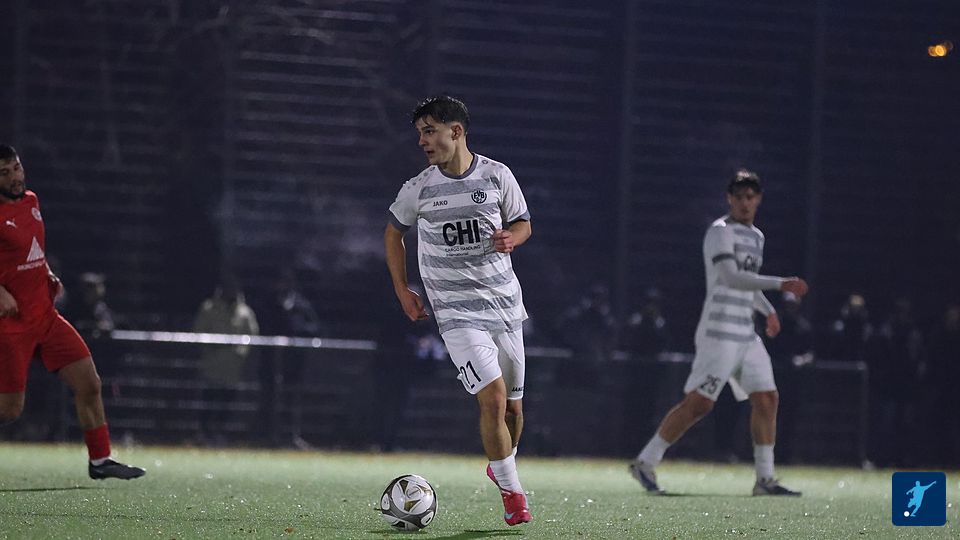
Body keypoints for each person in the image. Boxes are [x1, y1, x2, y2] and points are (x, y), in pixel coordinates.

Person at [384, 96, 533, 526]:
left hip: (505, 307)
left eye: (430, 131)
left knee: (513, 411)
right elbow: (393, 234)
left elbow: (523, 222)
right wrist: (402, 289)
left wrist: (512, 238)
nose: (423, 141)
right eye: (420, 133)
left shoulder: (497, 175)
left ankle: (500, 464)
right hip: (456, 314)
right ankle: (514, 496)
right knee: (493, 398)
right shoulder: (418, 188)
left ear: (457, 131)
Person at [629, 168, 808, 496]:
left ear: (759, 199)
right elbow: (730, 277)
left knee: (767, 398)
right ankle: (645, 462)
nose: (745, 202)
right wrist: (781, 284)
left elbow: (747, 284)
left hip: (746, 334)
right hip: (718, 332)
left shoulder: (757, 237)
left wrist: (768, 310)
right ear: (729, 199)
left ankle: (765, 479)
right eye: (739, 197)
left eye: (750, 197)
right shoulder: (719, 232)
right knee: (699, 404)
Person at [0, 144, 145, 480]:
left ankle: (100, 460)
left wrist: (46, 272)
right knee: (9, 410)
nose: (14, 177)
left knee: (89, 383)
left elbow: (31, 250)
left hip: (46, 318)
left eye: (16, 168)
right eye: (4, 173)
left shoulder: (31, 201)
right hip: (12, 325)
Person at [192, 277, 259, 444]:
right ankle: (204, 432)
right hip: (212, 366)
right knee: (208, 398)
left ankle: (219, 431)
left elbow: (252, 335)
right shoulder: (209, 308)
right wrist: (209, 350)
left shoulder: (245, 312)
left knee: (227, 400)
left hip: (232, 368)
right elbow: (199, 331)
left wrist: (240, 353)